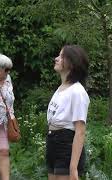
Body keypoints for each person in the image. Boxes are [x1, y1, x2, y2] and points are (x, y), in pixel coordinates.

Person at [46, 45, 90, 180]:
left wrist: (73, 168)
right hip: (53, 141)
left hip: (66, 145)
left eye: (61, 56)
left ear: (72, 62)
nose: (56, 58)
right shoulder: (61, 88)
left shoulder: (77, 92)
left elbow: (80, 131)